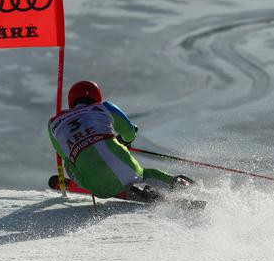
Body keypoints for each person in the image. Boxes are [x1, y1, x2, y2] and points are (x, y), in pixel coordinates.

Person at [48, 80, 192, 201]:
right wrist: (123, 140)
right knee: (144, 174)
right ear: (96, 96)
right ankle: (179, 185)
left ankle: (118, 189)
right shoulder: (104, 107)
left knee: (69, 161)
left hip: (96, 188)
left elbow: (63, 154)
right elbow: (129, 132)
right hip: (122, 166)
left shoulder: (53, 123)